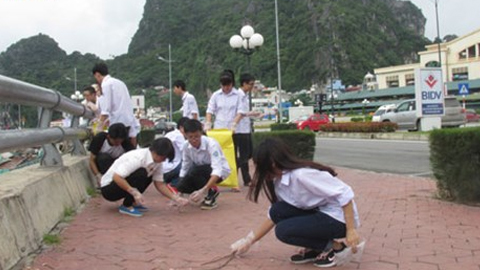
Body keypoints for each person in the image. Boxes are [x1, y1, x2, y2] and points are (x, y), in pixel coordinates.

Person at [230, 138, 361, 268]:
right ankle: (315, 248)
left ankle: (336, 248)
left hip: (338, 218)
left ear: (272, 163)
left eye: (260, 165)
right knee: (277, 210)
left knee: (284, 231)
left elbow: (345, 193)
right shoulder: (278, 182)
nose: (258, 171)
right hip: (320, 212)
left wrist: (351, 230)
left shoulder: (302, 175)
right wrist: (248, 241)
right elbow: (273, 216)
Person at [100, 138, 189, 217]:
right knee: (142, 173)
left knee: (149, 174)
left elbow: (160, 184)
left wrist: (176, 198)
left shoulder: (157, 163)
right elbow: (117, 177)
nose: (164, 160)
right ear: (156, 152)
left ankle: (133, 202)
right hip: (108, 188)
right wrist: (133, 192)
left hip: (121, 184)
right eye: (164, 157)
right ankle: (127, 205)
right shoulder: (138, 158)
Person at [176, 119, 231, 210]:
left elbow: (217, 169)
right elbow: (185, 166)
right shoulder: (186, 146)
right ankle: (206, 191)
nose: (194, 140)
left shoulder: (212, 144)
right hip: (200, 171)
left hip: (219, 172)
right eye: (190, 137)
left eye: (197, 136)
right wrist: (179, 192)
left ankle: (210, 193)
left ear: (201, 133)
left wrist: (203, 190)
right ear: (185, 135)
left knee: (196, 170)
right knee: (181, 185)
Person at [92, 63, 140, 146]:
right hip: (128, 121)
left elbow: (106, 109)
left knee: (116, 147)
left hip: (117, 123)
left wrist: (98, 126)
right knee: (127, 148)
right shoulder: (120, 82)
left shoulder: (106, 84)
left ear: (97, 75)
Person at [233, 73, 263, 187]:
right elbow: (239, 113)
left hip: (245, 128)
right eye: (250, 84)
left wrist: (252, 114)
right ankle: (245, 178)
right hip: (239, 130)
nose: (252, 86)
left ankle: (239, 171)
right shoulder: (238, 96)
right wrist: (252, 114)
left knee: (248, 154)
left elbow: (244, 113)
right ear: (244, 83)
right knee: (245, 155)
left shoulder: (244, 96)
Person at [162, 117, 188, 190]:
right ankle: (174, 183)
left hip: (163, 169)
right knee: (190, 163)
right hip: (170, 169)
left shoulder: (171, 134)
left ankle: (172, 182)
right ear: (181, 128)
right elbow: (186, 152)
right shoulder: (179, 136)